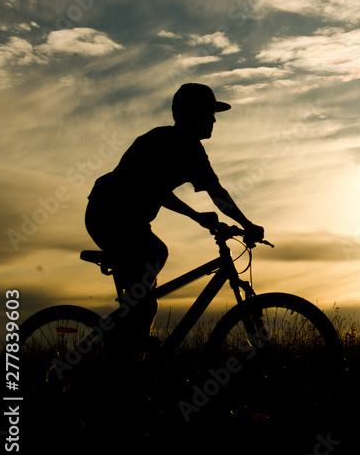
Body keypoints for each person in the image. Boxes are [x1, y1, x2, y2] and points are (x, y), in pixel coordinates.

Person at [85, 82, 264, 360]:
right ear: (191, 114)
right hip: (109, 214)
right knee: (154, 256)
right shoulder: (158, 141)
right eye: (209, 113)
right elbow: (152, 188)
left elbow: (217, 193)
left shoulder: (193, 151)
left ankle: (129, 358)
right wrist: (199, 217)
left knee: (145, 302)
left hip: (132, 221)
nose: (214, 119)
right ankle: (123, 359)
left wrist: (243, 222)